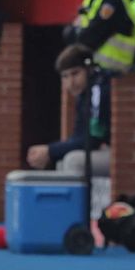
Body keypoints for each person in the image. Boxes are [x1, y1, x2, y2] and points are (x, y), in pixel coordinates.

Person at [26, 44, 110, 176]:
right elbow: (79, 134)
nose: (71, 82)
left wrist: (50, 150)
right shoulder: (83, 94)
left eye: (75, 73)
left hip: (122, 156)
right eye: (65, 76)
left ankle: (82, 198)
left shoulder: (99, 89)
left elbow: (93, 139)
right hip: (104, 150)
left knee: (73, 161)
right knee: (62, 160)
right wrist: (51, 151)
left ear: (89, 69)